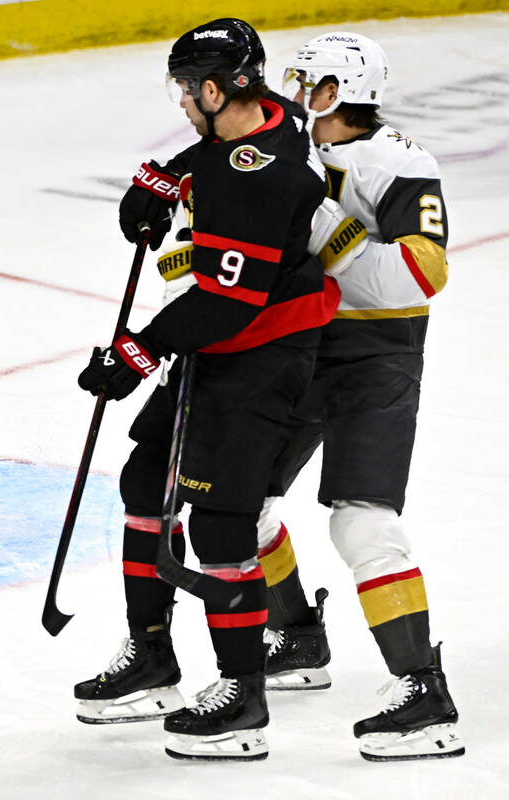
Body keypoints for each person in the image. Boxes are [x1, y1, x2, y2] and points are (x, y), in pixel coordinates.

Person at [71, 18, 337, 761]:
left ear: (218, 89)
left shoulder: (259, 180)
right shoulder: (270, 122)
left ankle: (242, 696)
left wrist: (138, 351)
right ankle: (153, 656)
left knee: (222, 523)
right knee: (144, 482)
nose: (184, 104)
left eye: (189, 91)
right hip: (221, 346)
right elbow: (222, 152)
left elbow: (229, 301)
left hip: (264, 353)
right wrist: (170, 176)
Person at [256, 32, 463, 761]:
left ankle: (424, 693)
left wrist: (328, 230)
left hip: (378, 357)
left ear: (341, 90)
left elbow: (422, 275)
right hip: (301, 345)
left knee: (362, 526)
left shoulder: (400, 162)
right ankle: (298, 637)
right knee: (239, 500)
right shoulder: (296, 149)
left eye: (308, 80)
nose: (294, 90)